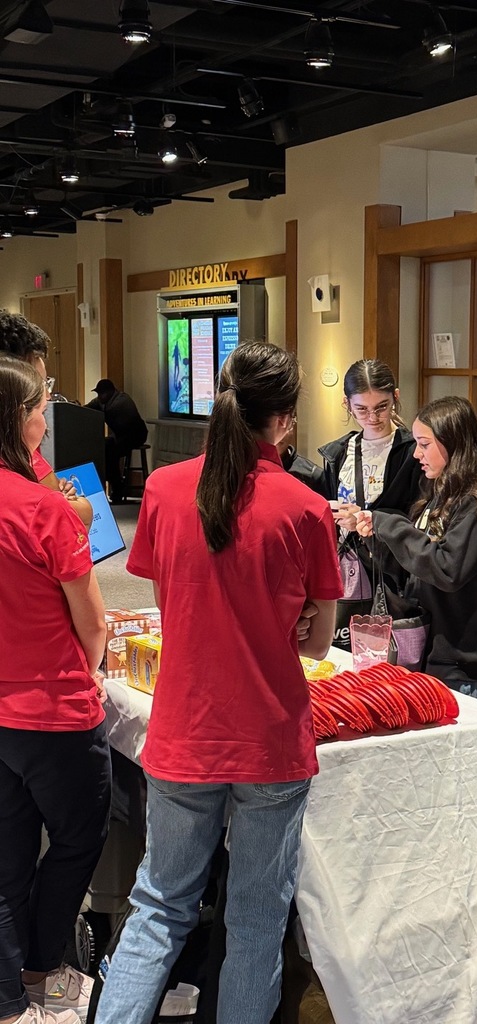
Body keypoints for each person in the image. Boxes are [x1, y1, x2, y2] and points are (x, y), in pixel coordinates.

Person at [94, 342, 342, 1024]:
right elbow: (318, 642)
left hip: (183, 728)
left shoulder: (167, 490)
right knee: (258, 920)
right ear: (285, 422)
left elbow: (171, 594)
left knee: (158, 908)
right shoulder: (306, 508)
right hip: (269, 739)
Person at [0, 356, 110, 1024]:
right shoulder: (45, 509)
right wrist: (91, 664)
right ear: (21, 418)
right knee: (77, 839)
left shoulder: (41, 498)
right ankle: (43, 965)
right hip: (55, 708)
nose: (49, 413)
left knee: (7, 854)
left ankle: (10, 1000)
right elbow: (93, 624)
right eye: (43, 402)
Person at [355, 395, 477, 699]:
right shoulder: (440, 492)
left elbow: (447, 569)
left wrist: (391, 526)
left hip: (458, 661)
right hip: (425, 650)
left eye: (425, 444)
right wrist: (377, 541)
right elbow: (417, 571)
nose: (417, 454)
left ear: (453, 442)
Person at [318, 359, 422, 587]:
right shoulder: (338, 453)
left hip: (390, 569)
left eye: (381, 407)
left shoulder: (413, 452)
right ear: (347, 404)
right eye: (362, 409)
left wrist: (368, 520)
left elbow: (418, 518)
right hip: (346, 564)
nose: (373, 417)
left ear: (395, 396)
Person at [0, 310, 92, 527]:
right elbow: (77, 514)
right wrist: (61, 500)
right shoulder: (18, 443)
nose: (48, 395)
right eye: (40, 383)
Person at [86, 378, 148, 504]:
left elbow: (123, 426)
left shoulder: (122, 401)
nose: (100, 396)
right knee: (102, 447)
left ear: (110, 392)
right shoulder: (102, 401)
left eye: (102, 394)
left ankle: (118, 489)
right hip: (120, 435)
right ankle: (112, 483)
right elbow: (89, 408)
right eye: (98, 394)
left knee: (111, 452)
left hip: (135, 435)